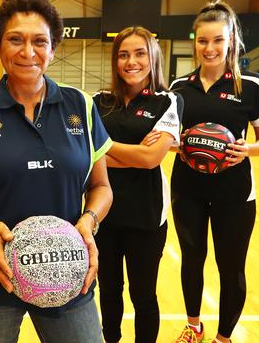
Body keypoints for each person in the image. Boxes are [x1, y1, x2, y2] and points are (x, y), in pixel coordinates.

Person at [0, 0, 113, 343]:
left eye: (40, 41)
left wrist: (89, 222)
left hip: (66, 267)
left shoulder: (81, 105)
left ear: (54, 48)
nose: (28, 52)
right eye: (15, 39)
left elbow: (101, 187)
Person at [169, 0, 259, 343]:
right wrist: (177, 144)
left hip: (235, 193)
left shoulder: (250, 86)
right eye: (203, 41)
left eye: (218, 40)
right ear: (195, 42)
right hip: (187, 188)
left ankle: (223, 337)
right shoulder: (178, 89)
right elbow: (168, 139)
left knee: (230, 266)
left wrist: (247, 149)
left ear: (231, 40)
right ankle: (193, 326)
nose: (210, 48)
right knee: (192, 260)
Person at [93, 26, 183, 343]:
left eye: (140, 53)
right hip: (103, 212)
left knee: (143, 294)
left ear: (153, 56)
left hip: (147, 215)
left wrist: (102, 148)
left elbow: (151, 160)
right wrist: (135, 151)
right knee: (109, 290)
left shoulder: (168, 101)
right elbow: (83, 156)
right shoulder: (97, 101)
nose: (132, 61)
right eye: (123, 54)